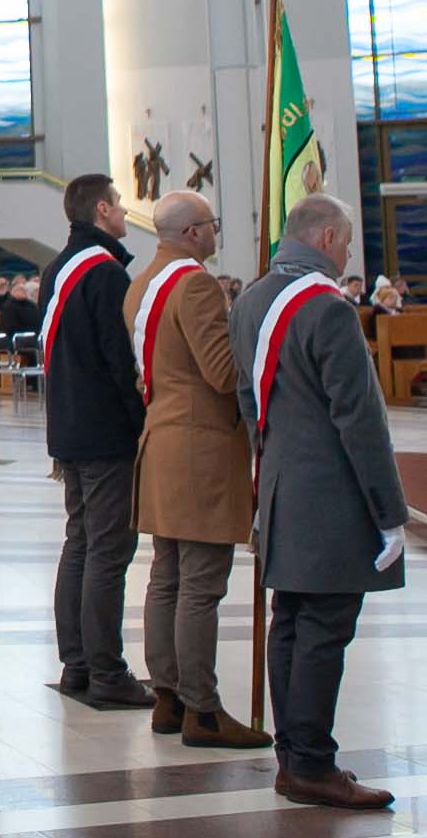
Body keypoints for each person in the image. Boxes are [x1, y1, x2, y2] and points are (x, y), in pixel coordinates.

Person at [231, 195, 407, 811]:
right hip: (330, 493)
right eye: (348, 242)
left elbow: (248, 401)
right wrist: (389, 512)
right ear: (327, 237)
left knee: (291, 622)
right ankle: (311, 765)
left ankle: (295, 757)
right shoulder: (327, 308)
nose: (350, 254)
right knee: (324, 628)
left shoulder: (250, 300)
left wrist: (268, 472)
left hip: (281, 484)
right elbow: (359, 418)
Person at [128, 191, 265, 749]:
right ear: (192, 233)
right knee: (201, 583)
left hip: (160, 438)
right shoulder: (196, 285)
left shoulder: (142, 283)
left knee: (167, 576)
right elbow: (221, 372)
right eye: (212, 224)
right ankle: (202, 710)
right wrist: (258, 337)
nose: (216, 232)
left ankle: (168, 697)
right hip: (199, 450)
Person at [43, 172, 147, 710]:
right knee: (108, 549)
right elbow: (118, 361)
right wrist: (141, 423)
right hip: (104, 430)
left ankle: (77, 664)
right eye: (120, 204)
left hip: (69, 423)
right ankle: (106, 670)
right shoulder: (104, 273)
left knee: (80, 543)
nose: (125, 212)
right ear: (102, 210)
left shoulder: (57, 268)